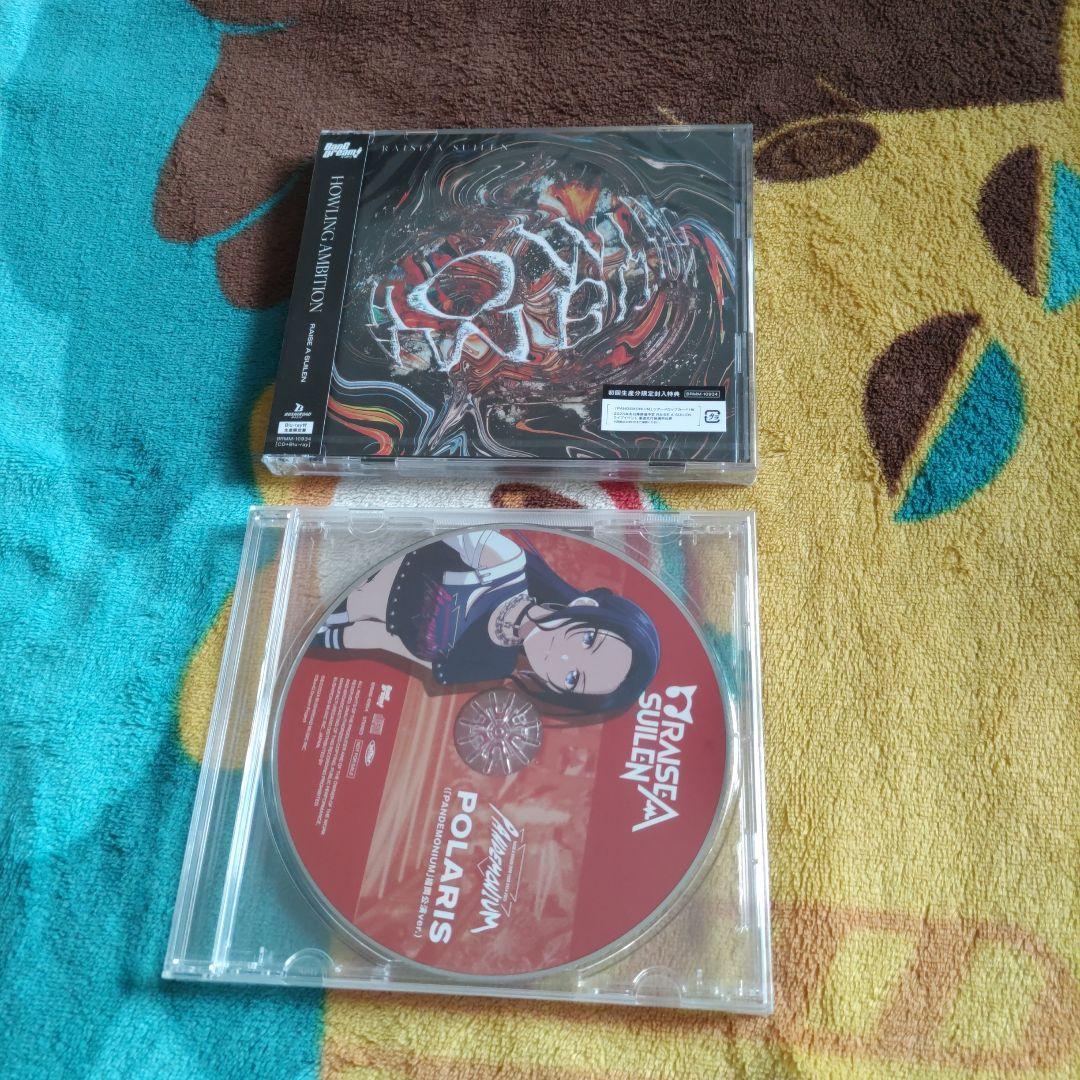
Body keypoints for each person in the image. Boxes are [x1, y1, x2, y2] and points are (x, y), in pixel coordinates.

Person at [315, 529, 659, 720]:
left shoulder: (492, 666)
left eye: (572, 679)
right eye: (587, 640)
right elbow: (421, 524)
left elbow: (382, 638)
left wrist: (321, 634)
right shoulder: (503, 562)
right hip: (338, 554)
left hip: (324, 614)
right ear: (584, 607)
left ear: (557, 689)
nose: (564, 658)